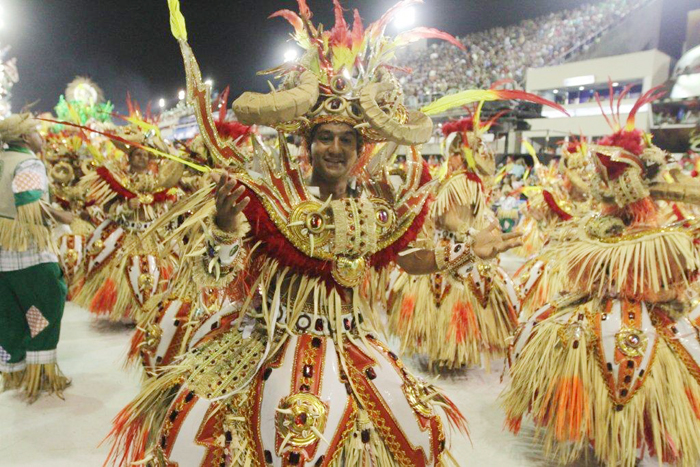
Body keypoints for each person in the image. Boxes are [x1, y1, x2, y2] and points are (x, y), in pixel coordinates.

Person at [107, 2, 521, 466]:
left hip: (350, 343)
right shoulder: (274, 202)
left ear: (361, 150)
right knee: (207, 430)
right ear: (307, 145)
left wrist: (463, 255)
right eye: (325, 136)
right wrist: (224, 224)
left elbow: (404, 260)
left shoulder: (374, 213)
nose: (335, 148)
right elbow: (214, 273)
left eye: (347, 140)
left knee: (417, 429)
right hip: (268, 341)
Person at [503, 87, 700, 466]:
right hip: (595, 318)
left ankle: (615, 439)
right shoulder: (613, 232)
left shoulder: (658, 238)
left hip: (623, 320)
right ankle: (600, 435)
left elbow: (670, 285)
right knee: (557, 338)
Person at [0, 113, 73, 402]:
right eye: (36, 131)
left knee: (10, 315)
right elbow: (30, 204)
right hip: (28, 254)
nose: (41, 135)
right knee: (45, 308)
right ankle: (41, 376)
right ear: (25, 138)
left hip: (2, 260)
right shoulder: (27, 162)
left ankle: (16, 373)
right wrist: (61, 214)